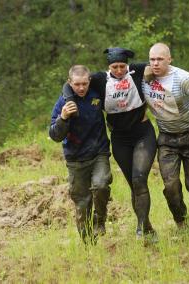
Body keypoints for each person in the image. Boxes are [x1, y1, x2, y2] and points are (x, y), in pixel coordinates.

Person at [63, 48, 157, 240]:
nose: (120, 70)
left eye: (122, 66)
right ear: (109, 66)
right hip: (120, 139)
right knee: (133, 184)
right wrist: (71, 100)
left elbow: (158, 68)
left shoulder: (136, 71)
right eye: (115, 67)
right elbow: (68, 86)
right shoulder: (99, 79)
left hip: (142, 134)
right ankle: (146, 225)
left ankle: (141, 229)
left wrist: (153, 72)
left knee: (140, 179)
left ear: (127, 65)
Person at [142, 43, 189, 229]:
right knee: (171, 187)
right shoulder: (144, 77)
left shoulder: (182, 78)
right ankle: (181, 222)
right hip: (166, 140)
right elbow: (117, 75)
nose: (156, 63)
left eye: (160, 59)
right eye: (152, 59)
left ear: (169, 59)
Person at [49, 65, 112, 243]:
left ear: (89, 81)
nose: (81, 88)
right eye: (77, 84)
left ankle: (100, 220)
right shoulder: (63, 102)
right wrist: (63, 118)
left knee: (101, 185)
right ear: (70, 83)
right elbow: (54, 135)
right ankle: (88, 244)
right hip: (76, 159)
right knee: (82, 203)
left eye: (84, 83)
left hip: (99, 152)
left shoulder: (96, 93)